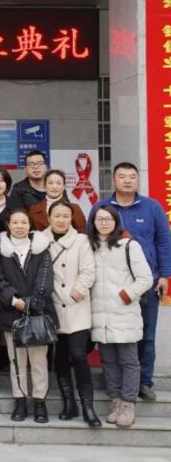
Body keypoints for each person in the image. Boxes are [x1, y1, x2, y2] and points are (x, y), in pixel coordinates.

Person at [87, 162, 171, 401]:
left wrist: (164, 275)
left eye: (132, 176)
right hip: (111, 286)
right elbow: (90, 242)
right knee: (111, 336)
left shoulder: (152, 207)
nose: (127, 180)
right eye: (122, 176)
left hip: (147, 282)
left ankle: (144, 382)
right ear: (113, 180)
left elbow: (164, 240)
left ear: (138, 180)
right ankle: (117, 384)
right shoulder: (100, 208)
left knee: (147, 335)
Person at [89, 205, 154, 428]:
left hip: (124, 313)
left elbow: (146, 278)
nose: (103, 223)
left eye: (108, 219)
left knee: (128, 361)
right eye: (99, 219)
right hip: (100, 316)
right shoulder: (91, 247)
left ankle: (128, 404)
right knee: (109, 362)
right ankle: (115, 402)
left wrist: (126, 295)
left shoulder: (129, 246)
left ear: (116, 222)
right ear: (93, 222)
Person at [0, 208, 55, 423]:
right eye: (15, 222)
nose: (19, 226)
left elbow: (45, 278)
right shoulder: (1, 250)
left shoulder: (41, 249)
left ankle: (40, 402)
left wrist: (32, 302)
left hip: (38, 313)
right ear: (8, 225)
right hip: (12, 313)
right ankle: (19, 400)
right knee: (16, 361)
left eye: (24, 222)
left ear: (30, 225)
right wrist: (15, 300)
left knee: (39, 361)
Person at [43, 200, 99, 427]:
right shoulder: (40, 240)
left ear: (71, 218)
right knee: (59, 358)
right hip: (52, 308)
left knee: (78, 355)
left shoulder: (81, 240)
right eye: (57, 215)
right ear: (49, 217)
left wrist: (77, 292)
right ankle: (69, 404)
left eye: (66, 216)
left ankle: (88, 407)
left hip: (77, 306)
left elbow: (88, 271)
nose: (61, 220)